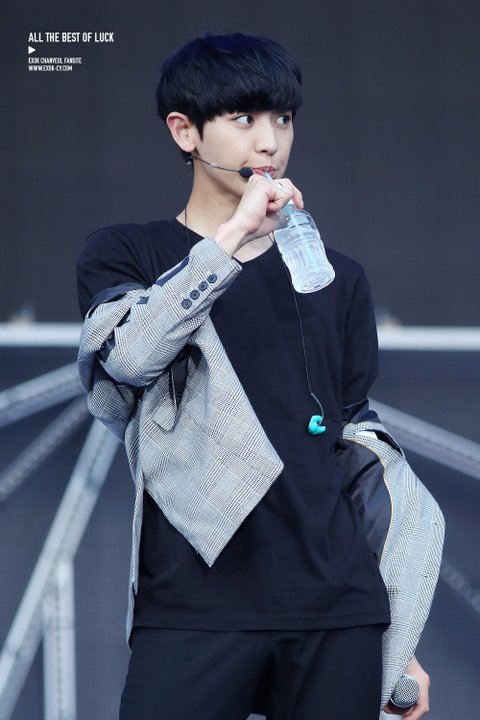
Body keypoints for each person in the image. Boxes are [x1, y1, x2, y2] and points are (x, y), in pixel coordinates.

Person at [77, 33, 434, 719]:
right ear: (185, 131)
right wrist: (233, 239)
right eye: (244, 119)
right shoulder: (129, 251)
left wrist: (400, 635)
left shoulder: (338, 277)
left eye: (283, 119)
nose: (269, 142)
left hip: (337, 608)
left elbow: (352, 450)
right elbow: (128, 357)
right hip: (193, 603)